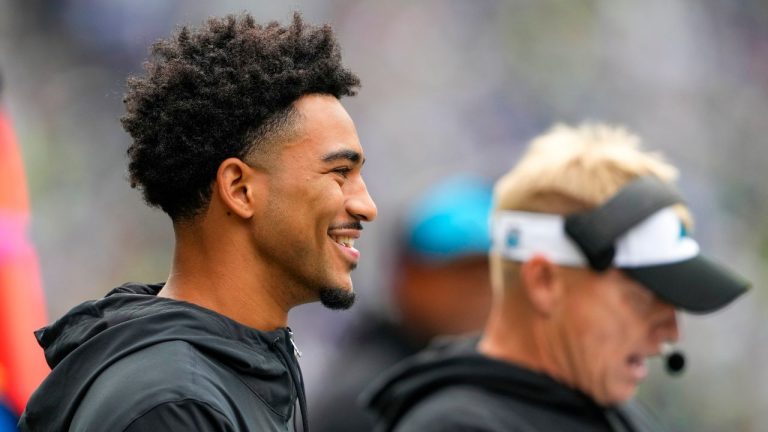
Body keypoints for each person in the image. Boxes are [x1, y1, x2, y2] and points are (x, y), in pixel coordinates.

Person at [20, 12, 376, 432]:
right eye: (339, 172)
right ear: (240, 189)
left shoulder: (230, 371)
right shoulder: (172, 404)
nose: (366, 205)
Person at [364, 123, 750, 431]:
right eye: (643, 298)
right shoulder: (457, 425)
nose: (670, 332)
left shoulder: (610, 408)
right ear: (545, 281)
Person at [310, 175, 493, 432]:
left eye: (491, 271)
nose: (481, 290)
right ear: (405, 277)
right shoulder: (366, 399)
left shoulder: (487, 374)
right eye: (459, 272)